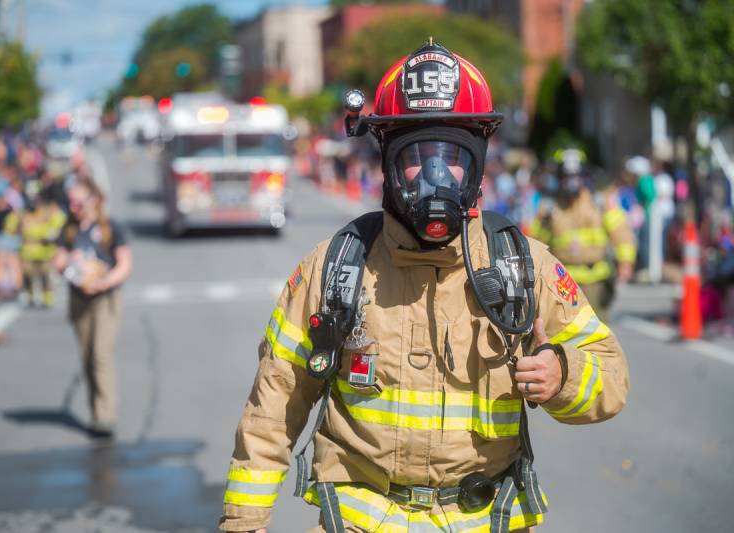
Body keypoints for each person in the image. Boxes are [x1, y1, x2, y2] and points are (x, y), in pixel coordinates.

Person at [220, 41, 630, 533]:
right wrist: (243, 522)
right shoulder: (335, 267)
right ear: (389, 162)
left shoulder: (523, 265)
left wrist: (562, 375)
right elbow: (273, 404)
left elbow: (612, 377)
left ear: (476, 164)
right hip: (360, 521)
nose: (436, 176)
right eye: (417, 156)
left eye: (451, 156)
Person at [53, 175, 132, 438]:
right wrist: (72, 265)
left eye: (79, 202)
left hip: (104, 298)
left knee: (101, 355)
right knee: (87, 357)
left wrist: (103, 281)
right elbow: (58, 261)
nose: (74, 208)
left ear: (95, 199)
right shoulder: (70, 228)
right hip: (79, 298)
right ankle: (96, 412)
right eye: (71, 203)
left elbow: (124, 264)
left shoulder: (110, 227)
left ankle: (106, 416)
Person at [529, 149, 636, 323]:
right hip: (562, 283)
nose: (571, 182)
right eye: (566, 176)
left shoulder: (599, 202)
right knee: (566, 335)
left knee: (598, 336)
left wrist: (626, 262)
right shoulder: (549, 208)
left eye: (576, 176)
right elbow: (535, 243)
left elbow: (621, 232)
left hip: (595, 280)